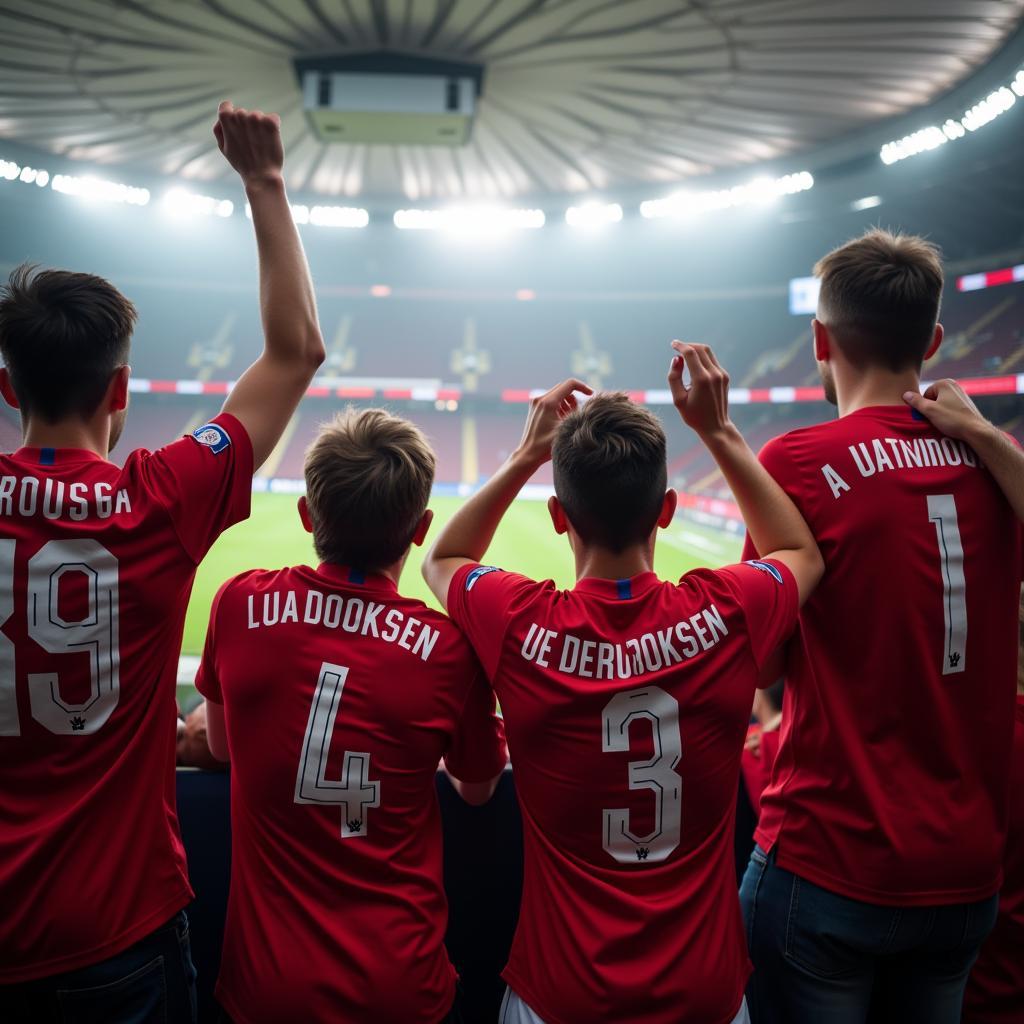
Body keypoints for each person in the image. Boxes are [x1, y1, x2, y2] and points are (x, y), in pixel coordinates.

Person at [0, 100, 324, 1021]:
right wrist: (265, 183)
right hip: (119, 927)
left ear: (5, 384)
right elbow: (296, 353)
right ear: (120, 389)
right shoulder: (159, 500)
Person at [422, 344, 824, 1024]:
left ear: (558, 516)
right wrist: (718, 431)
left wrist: (525, 455)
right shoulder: (726, 612)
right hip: (704, 994)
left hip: (560, 995)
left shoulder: (519, 622)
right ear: (666, 509)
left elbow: (445, 557)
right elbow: (799, 553)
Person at [739, 229, 1024, 1024]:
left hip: (830, 860)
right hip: (967, 873)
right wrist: (987, 437)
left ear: (821, 341)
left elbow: (759, 666)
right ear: (934, 342)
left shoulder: (795, 462)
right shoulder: (1000, 471)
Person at [196, 408, 508, 1024]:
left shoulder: (239, 602)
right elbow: (476, 788)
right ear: (420, 529)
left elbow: (224, 749)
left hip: (266, 988)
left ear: (308, 516)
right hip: (401, 983)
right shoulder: (448, 650)